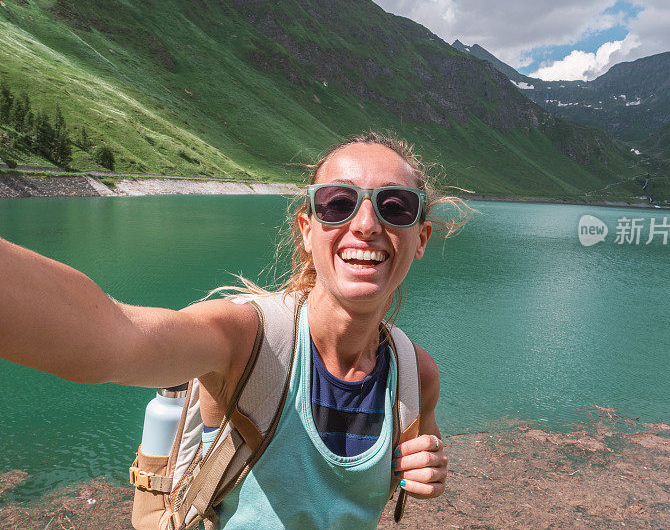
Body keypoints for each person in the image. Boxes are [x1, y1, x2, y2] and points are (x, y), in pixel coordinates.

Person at [0, 131, 460, 529]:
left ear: (420, 238)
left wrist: (429, 473)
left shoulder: (414, 373)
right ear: (307, 228)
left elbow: (419, 461)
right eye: (337, 203)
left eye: (395, 207)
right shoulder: (245, 338)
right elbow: (111, 337)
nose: (364, 225)